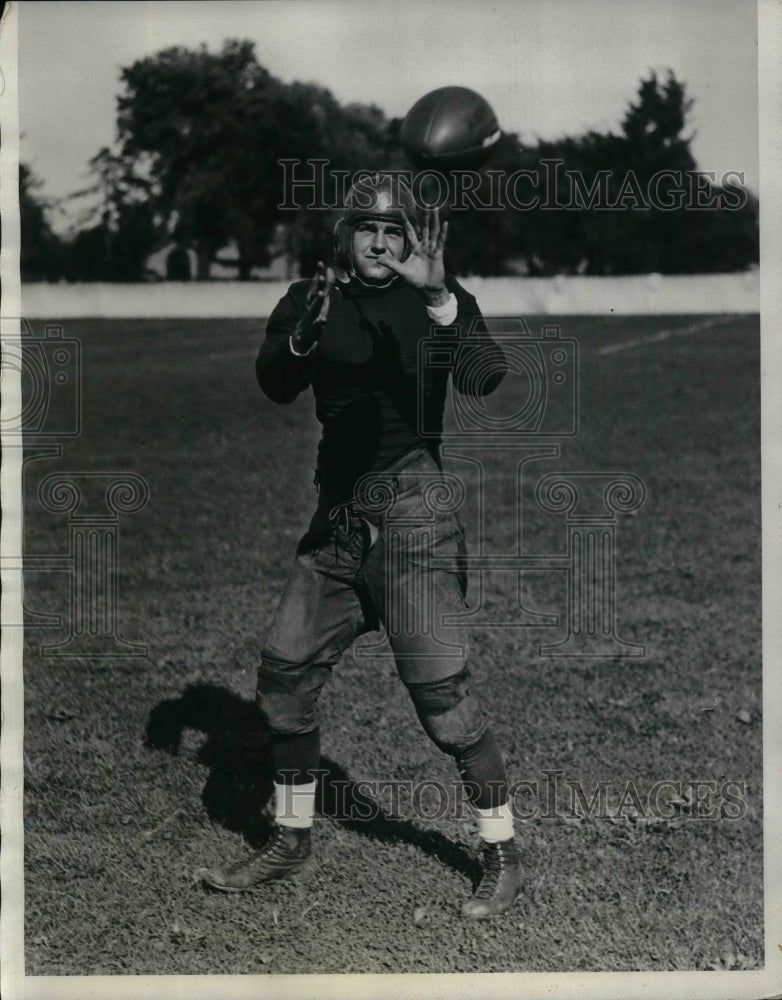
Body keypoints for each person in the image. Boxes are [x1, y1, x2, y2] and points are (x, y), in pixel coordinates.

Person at [199, 173, 521, 918]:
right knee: (284, 673)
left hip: (414, 511)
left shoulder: (434, 296)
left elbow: (486, 374)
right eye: (366, 230)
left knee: (442, 699)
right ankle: (290, 839)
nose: (379, 243)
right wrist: (303, 335)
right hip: (340, 516)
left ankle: (502, 852)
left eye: (394, 232)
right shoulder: (315, 297)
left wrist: (442, 298)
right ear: (345, 234)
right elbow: (275, 381)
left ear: (413, 240)